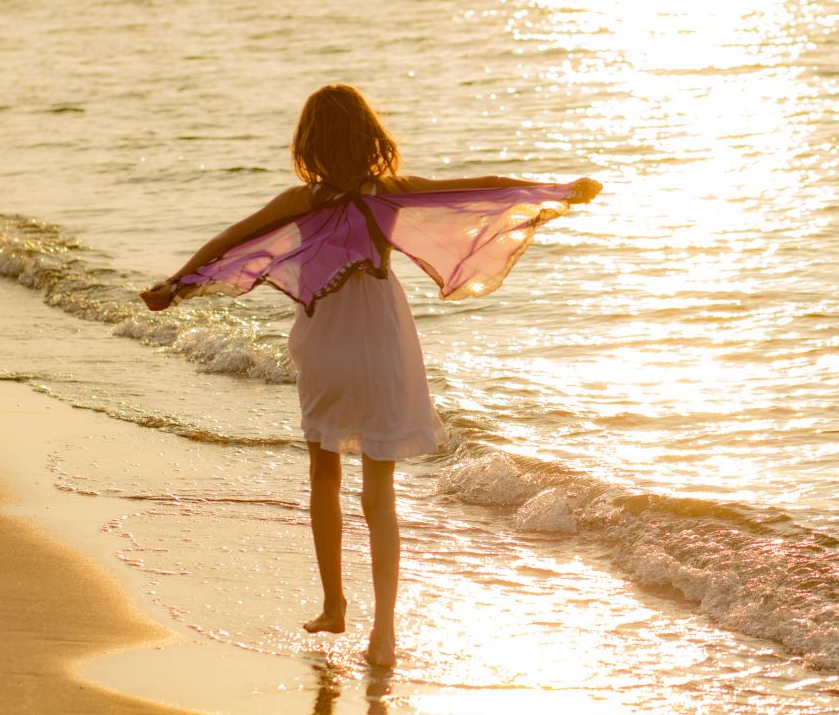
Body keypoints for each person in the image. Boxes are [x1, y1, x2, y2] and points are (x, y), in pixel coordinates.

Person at [140, 83, 601, 668]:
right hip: (383, 339)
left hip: (326, 342)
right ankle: (383, 635)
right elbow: (479, 191)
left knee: (324, 476)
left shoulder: (301, 200)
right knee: (379, 494)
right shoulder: (389, 192)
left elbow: (232, 240)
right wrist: (560, 192)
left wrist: (175, 284)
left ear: (309, 142)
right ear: (369, 138)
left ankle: (334, 605)